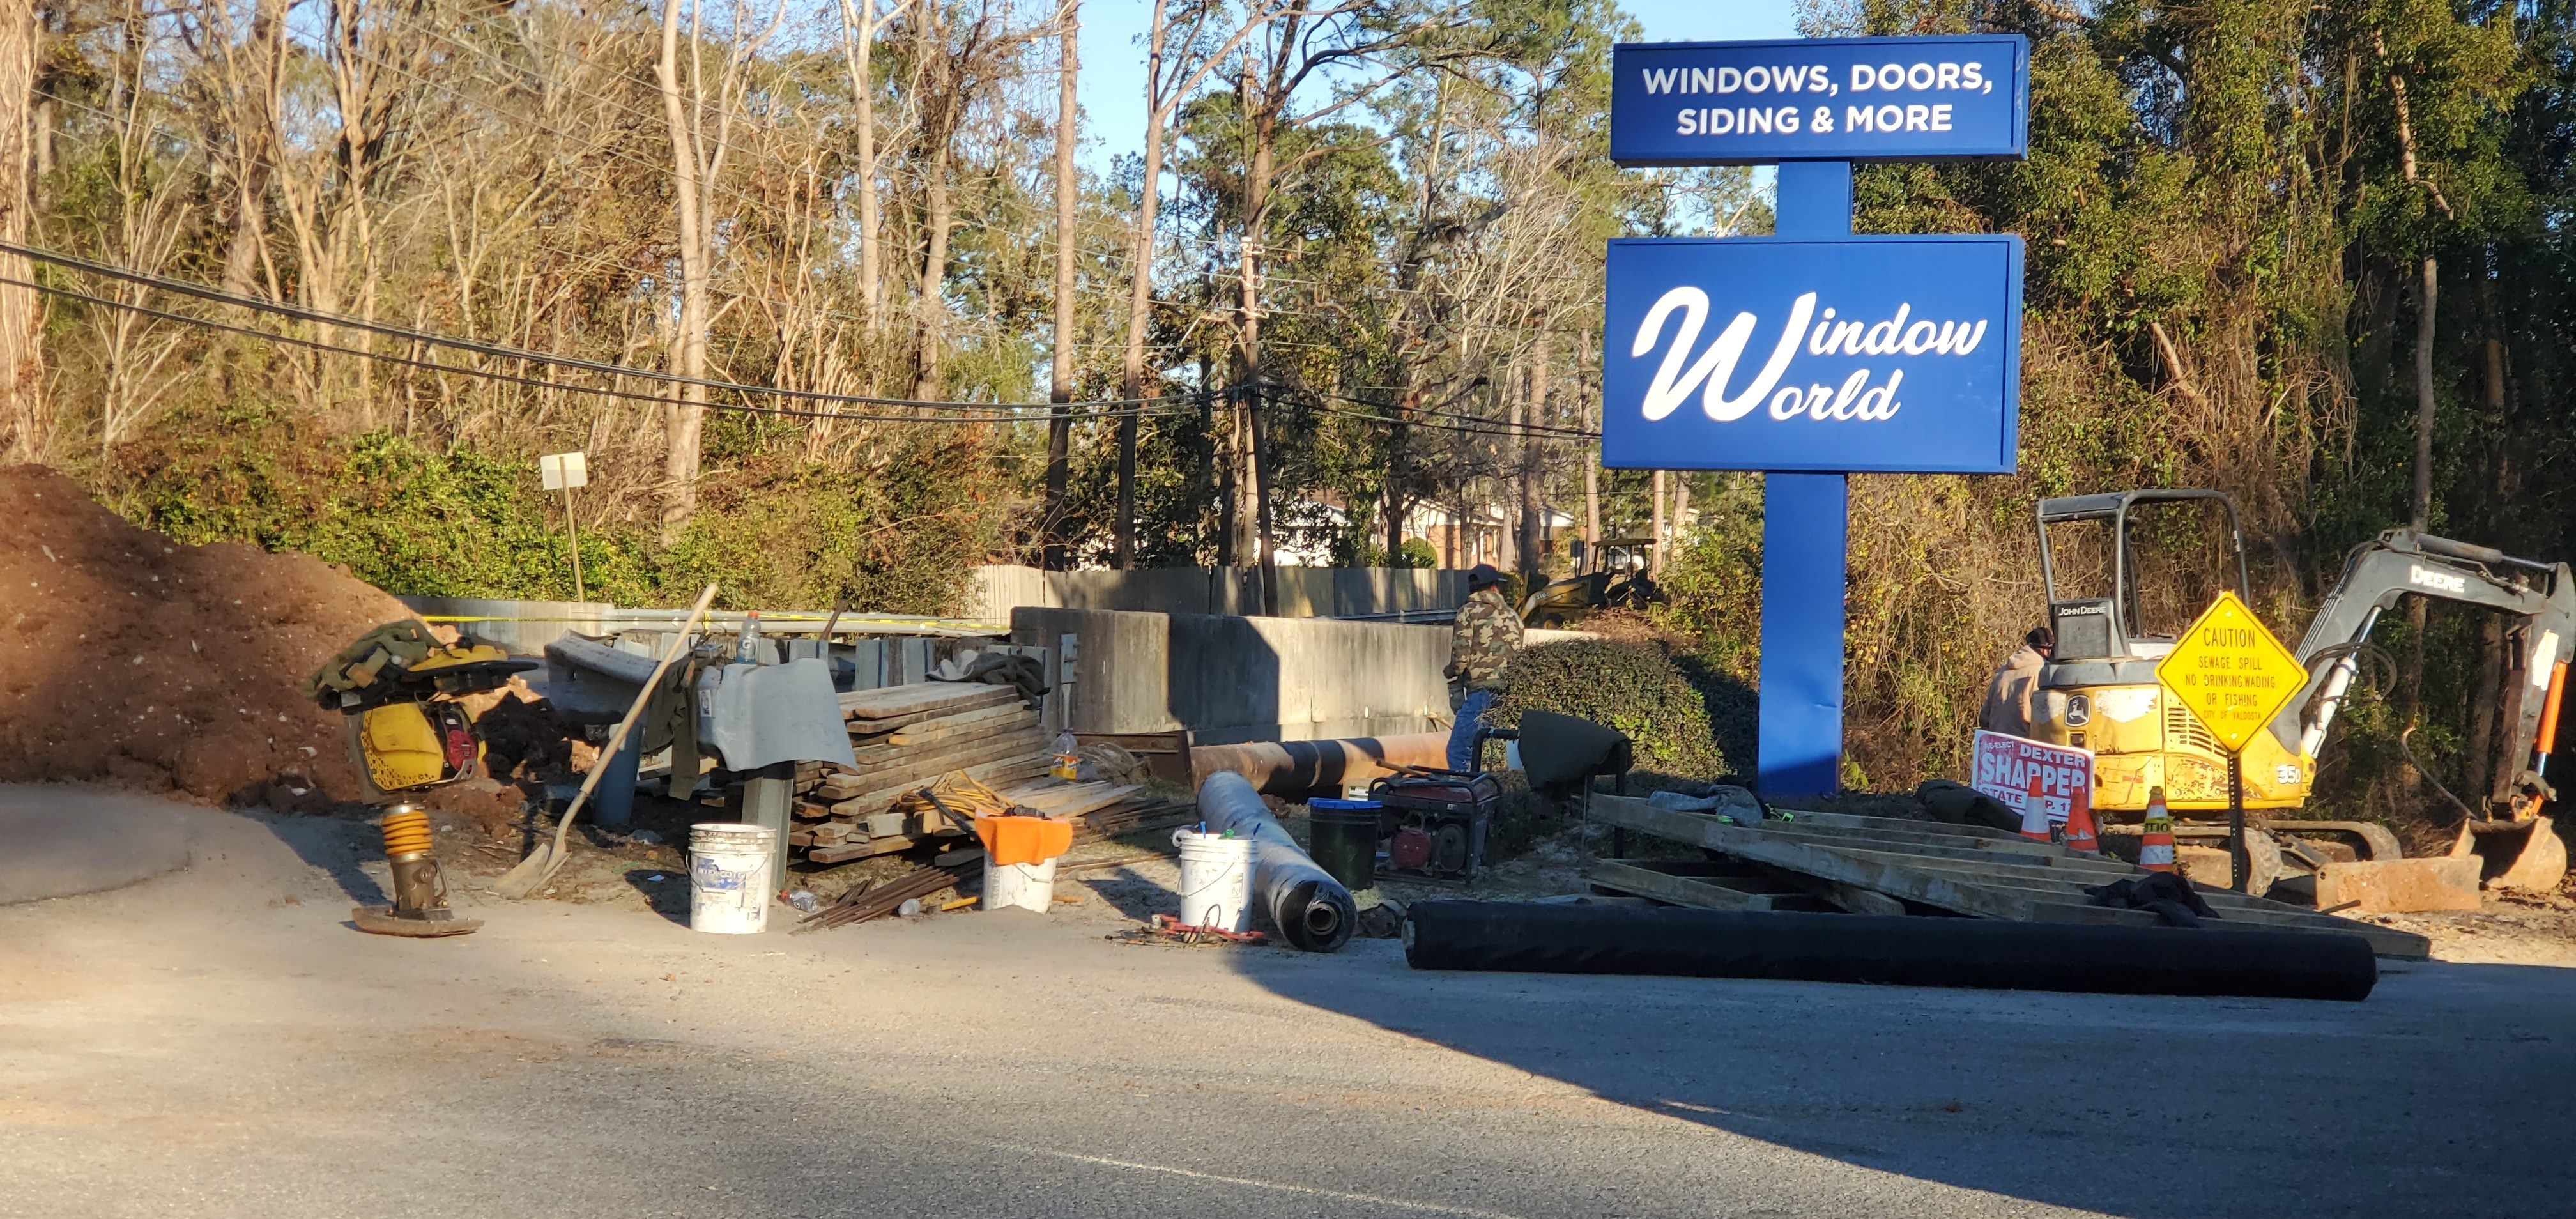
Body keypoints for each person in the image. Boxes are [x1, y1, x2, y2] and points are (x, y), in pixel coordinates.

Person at [1445, 564, 1522, 771]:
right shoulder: (1513, 616)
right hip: (1510, 694)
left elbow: (1460, 658)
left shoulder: (1468, 613)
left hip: (1481, 692)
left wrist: (1450, 672)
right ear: (1495, 587)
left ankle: (1465, 797)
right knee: (1493, 752)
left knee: (1459, 751)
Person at [1979, 624, 2053, 739]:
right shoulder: (2042, 672)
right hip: (2026, 747)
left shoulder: (2002, 673)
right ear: (2045, 649)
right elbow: (2047, 718)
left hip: (1997, 746)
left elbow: (1984, 717)